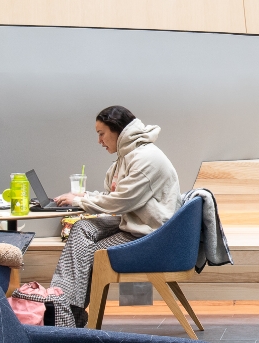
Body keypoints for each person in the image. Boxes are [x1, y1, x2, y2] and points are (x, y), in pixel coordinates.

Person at [50, 106, 182, 326]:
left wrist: (80, 201)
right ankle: (65, 311)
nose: (100, 141)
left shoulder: (145, 158)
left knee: (88, 252)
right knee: (81, 228)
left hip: (152, 234)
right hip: (136, 223)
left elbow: (121, 201)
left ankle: (63, 315)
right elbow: (118, 196)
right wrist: (83, 196)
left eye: (102, 133)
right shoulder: (129, 155)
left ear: (118, 130)